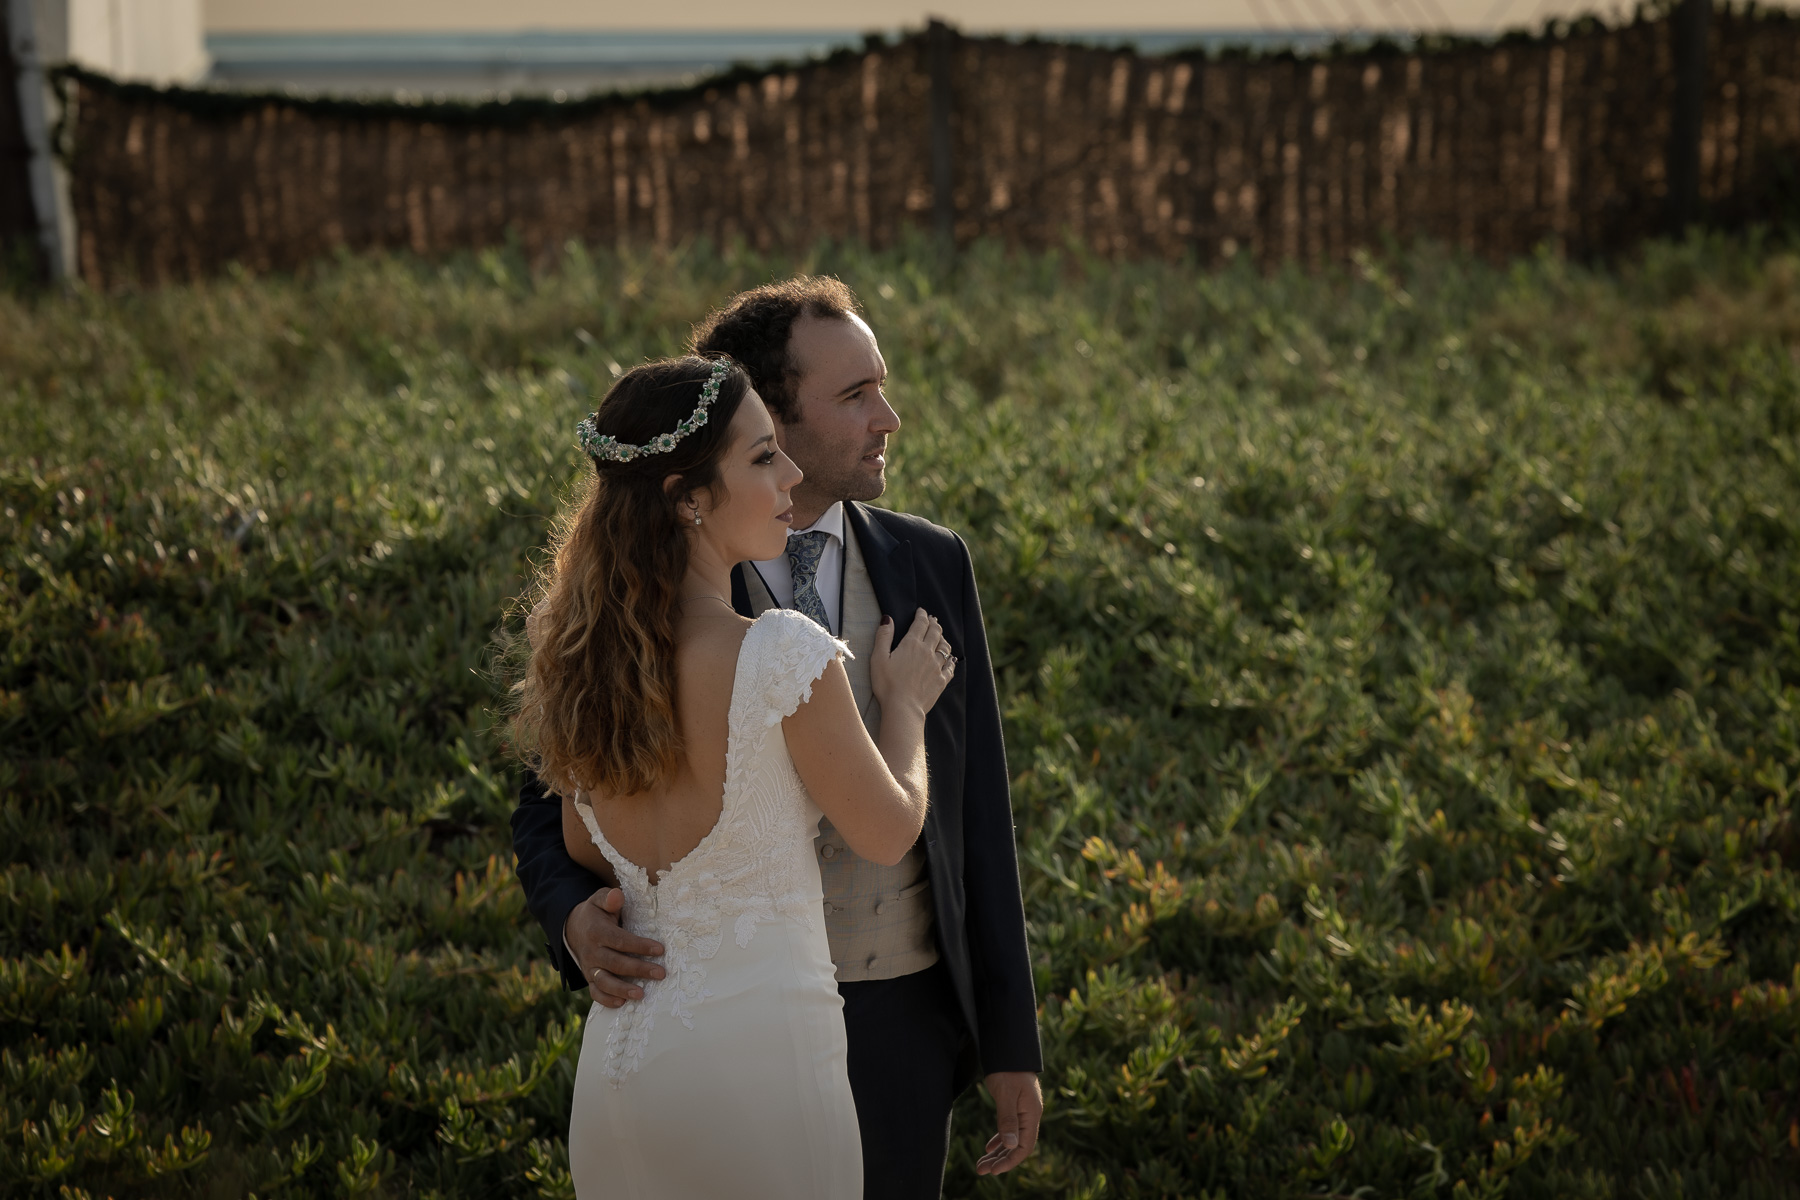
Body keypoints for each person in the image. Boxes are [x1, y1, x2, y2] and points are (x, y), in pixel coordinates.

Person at [512, 279, 1043, 1198]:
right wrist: (571, 920)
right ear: (767, 413)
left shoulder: (932, 560)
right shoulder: (659, 608)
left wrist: (1010, 1041)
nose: (889, 418)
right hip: (753, 1031)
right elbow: (549, 809)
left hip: (898, 1018)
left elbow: (980, 810)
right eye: (855, 395)